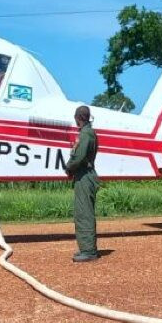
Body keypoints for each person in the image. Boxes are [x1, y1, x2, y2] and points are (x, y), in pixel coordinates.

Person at [64, 104, 99, 261]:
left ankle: (89, 251)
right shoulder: (89, 133)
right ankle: (87, 248)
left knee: (84, 213)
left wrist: (69, 167)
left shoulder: (85, 134)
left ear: (78, 118)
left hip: (84, 176)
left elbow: (79, 157)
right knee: (84, 212)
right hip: (85, 175)